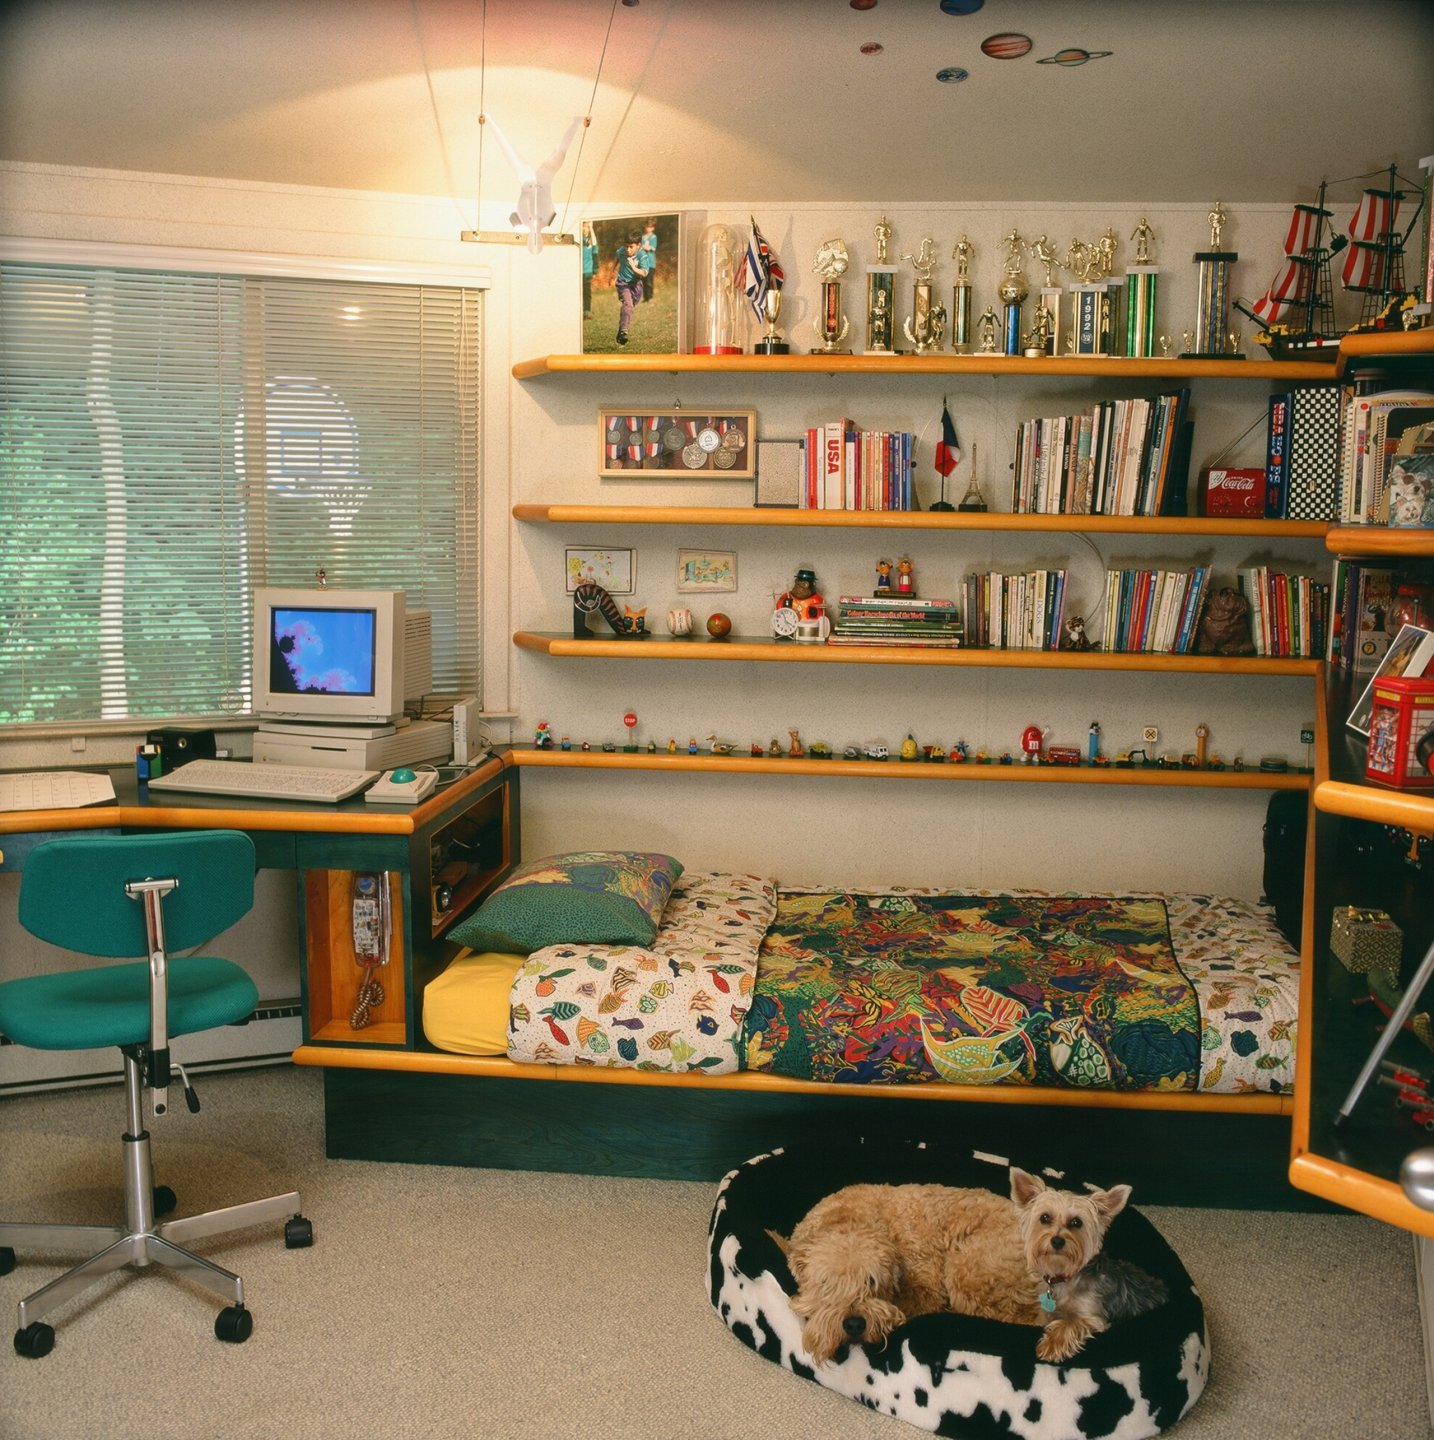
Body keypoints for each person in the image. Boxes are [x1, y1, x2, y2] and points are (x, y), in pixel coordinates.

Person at [614, 230, 644, 346]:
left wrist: (633, 267)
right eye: (626, 246)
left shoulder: (643, 255)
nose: (627, 250)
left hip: (636, 285)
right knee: (628, 304)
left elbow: (644, 273)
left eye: (631, 247)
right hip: (623, 283)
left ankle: (621, 329)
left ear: (638, 245)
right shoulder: (622, 251)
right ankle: (624, 331)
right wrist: (611, 274)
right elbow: (618, 257)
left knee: (630, 308)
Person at [638, 218, 658, 302]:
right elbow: (639, 247)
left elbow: (652, 248)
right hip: (643, 262)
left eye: (650, 227)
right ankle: (645, 297)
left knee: (649, 281)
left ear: (653, 228)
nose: (648, 228)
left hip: (651, 263)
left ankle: (650, 297)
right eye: (647, 226)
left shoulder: (653, 237)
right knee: (644, 280)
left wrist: (644, 247)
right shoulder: (642, 237)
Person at [581, 221, 598, 318]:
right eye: (583, 226)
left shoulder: (591, 241)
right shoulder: (579, 239)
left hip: (587, 271)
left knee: (587, 292)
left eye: (586, 227)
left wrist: (595, 270)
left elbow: (595, 253)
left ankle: (587, 311)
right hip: (578, 271)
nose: (584, 229)